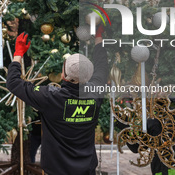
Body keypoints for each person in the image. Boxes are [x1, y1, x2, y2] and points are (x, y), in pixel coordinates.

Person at [6, 27, 108, 175]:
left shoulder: (50, 97)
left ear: (63, 75)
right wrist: (99, 38)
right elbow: (102, 65)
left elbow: (14, 83)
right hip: (87, 170)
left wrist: (18, 54)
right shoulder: (95, 92)